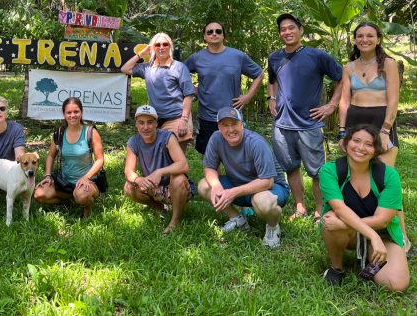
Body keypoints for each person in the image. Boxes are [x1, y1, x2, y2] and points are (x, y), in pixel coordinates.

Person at [337, 21, 410, 252]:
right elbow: (344, 101)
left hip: (382, 125)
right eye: (360, 36)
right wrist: (342, 132)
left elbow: (394, 100)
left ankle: (403, 239)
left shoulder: (388, 64)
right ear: (355, 39)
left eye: (370, 35)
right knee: (359, 180)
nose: (364, 39)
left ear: (378, 39)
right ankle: (366, 234)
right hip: (355, 126)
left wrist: (386, 129)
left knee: (386, 182)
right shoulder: (348, 67)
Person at [268, 13, 343, 222]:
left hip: (308, 124)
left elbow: (341, 77)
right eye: (283, 29)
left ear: (301, 30)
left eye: (291, 28)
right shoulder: (275, 57)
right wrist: (270, 97)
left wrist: (332, 105)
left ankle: (320, 211)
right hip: (282, 124)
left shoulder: (317, 55)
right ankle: (300, 207)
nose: (287, 32)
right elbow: (271, 80)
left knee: (317, 172)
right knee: (290, 167)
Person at [319, 125, 409, 291]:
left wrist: (373, 236)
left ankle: (369, 251)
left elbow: (382, 220)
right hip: (349, 233)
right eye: (356, 141)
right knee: (331, 219)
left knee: (397, 284)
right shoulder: (329, 170)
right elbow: (339, 209)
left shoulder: (389, 175)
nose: (361, 148)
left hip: (382, 233)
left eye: (369, 144)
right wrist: (370, 234)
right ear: (346, 144)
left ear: (376, 150)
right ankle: (337, 268)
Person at [198, 107, 290, 248]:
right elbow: (209, 167)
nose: (230, 130)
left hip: (270, 188)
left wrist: (233, 192)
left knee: (263, 202)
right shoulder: (216, 138)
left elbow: (267, 181)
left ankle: (273, 227)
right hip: (239, 184)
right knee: (205, 186)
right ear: (219, 127)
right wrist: (216, 186)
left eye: (234, 124)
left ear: (242, 124)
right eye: (225, 125)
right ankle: (237, 219)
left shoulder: (256, 142)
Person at [185, 21, 264, 155]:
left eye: (218, 31)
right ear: (204, 36)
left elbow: (259, 74)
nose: (214, 34)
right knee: (210, 157)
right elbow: (178, 73)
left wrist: (248, 96)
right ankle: (213, 177)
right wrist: (193, 89)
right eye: (210, 32)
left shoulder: (237, 56)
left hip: (232, 116)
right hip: (207, 117)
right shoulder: (197, 58)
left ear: (223, 36)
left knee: (235, 156)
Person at [121, 32, 195, 149]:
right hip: (154, 120)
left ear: (170, 46)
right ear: (152, 47)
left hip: (175, 118)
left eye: (165, 44)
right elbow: (125, 68)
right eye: (157, 45)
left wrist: (184, 120)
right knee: (158, 158)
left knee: (175, 160)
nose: (161, 47)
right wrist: (142, 53)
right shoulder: (147, 67)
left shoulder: (179, 67)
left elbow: (188, 95)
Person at [123, 105, 189, 233]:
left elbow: (183, 165)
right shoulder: (133, 142)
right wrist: (138, 179)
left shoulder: (167, 137)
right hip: (153, 186)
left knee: (179, 179)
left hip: (172, 186)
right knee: (128, 187)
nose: (145, 127)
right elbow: (128, 171)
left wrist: (160, 171)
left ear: (156, 124)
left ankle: (175, 221)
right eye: (141, 123)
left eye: (150, 122)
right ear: (136, 124)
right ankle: (158, 208)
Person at [34, 97, 104, 218]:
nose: (73, 115)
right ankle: (68, 200)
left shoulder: (90, 132)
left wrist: (86, 178)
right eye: (69, 112)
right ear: (64, 114)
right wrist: (47, 175)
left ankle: (87, 206)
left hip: (88, 182)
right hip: (64, 182)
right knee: (39, 194)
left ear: (81, 112)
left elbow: (100, 160)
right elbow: (50, 155)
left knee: (82, 196)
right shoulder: (59, 133)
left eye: (76, 112)